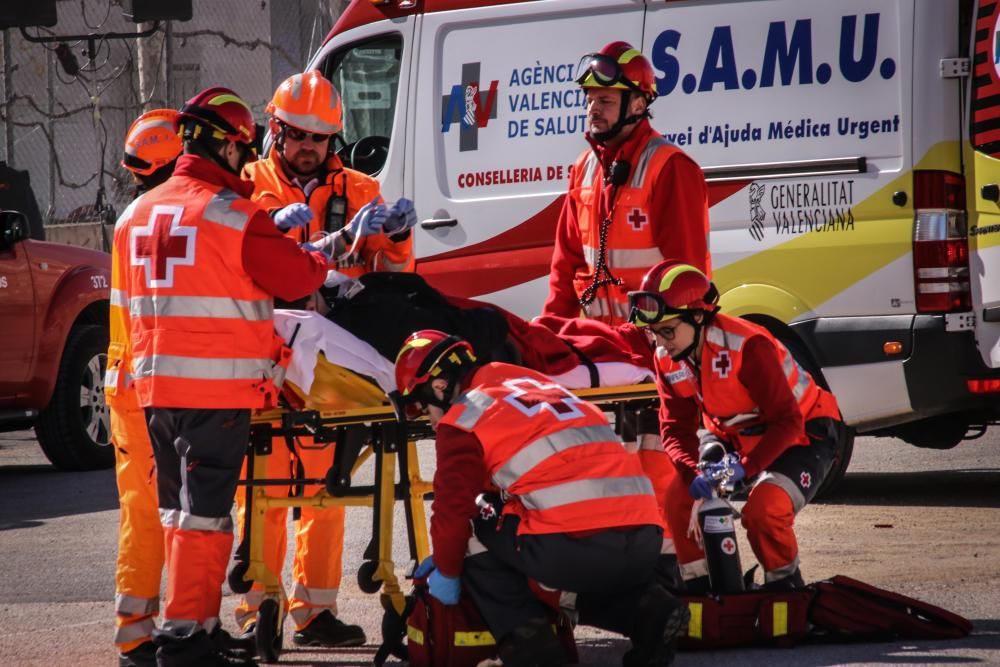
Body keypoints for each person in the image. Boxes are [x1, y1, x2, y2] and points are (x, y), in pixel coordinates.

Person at [113, 86, 328, 666]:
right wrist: (330, 249)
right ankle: (187, 637)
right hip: (216, 391)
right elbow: (294, 274)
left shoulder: (135, 214)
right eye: (243, 148)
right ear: (230, 147)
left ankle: (194, 625)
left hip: (157, 391)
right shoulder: (233, 214)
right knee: (206, 517)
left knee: (178, 512)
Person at [234, 70, 417, 648]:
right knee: (259, 486)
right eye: (298, 135)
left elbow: (394, 275)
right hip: (264, 357)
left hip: (332, 358)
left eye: (320, 138)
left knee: (325, 485)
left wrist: (400, 236)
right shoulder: (244, 186)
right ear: (276, 131)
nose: (309, 147)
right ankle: (257, 605)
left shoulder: (360, 190)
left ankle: (313, 613)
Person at [395, 330, 689, 667]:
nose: (428, 420)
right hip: (643, 542)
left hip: (572, 548)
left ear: (439, 386)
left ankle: (532, 647)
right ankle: (648, 612)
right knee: (544, 551)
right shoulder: (534, 384)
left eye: (420, 406)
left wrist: (447, 572)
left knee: (473, 526)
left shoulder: (464, 416)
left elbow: (452, 510)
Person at [627, 260, 846, 592]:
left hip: (805, 434)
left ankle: (785, 588)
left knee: (764, 510)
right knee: (677, 500)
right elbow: (674, 430)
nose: (661, 344)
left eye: (667, 331)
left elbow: (787, 421)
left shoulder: (747, 346)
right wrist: (691, 473)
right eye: (653, 333)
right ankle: (699, 593)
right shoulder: (667, 358)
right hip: (739, 437)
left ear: (698, 317)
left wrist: (747, 468)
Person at [543, 40, 710, 325]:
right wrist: (547, 339)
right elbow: (564, 271)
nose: (593, 110)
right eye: (590, 100)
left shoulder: (670, 168)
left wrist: (676, 351)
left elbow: (687, 277)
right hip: (606, 349)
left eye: (605, 101)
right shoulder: (584, 168)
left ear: (637, 105)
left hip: (656, 347)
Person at [108, 108, 183, 667]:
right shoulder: (161, 218)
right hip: (146, 383)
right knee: (156, 510)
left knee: (150, 509)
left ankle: (145, 627)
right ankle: (137, 632)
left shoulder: (132, 218)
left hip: (133, 380)